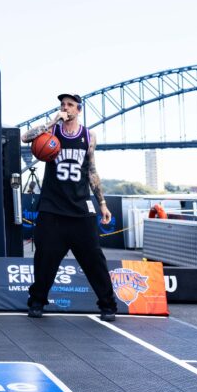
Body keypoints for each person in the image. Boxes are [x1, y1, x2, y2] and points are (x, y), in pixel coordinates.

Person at [21, 92, 118, 321]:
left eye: (70, 105)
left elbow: (92, 171)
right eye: (63, 104)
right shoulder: (51, 131)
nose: (66, 108)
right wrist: (53, 120)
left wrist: (102, 203)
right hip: (52, 206)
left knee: (94, 258)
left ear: (79, 109)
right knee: (44, 257)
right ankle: (37, 302)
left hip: (80, 208)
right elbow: (25, 137)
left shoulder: (89, 136)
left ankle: (107, 305)